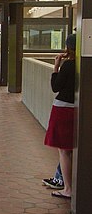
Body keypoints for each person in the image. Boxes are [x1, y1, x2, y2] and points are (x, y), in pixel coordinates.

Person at [44, 33, 76, 199]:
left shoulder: (69, 66)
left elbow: (55, 87)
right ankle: (64, 181)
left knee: (64, 151)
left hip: (63, 109)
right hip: (79, 110)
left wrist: (56, 66)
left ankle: (68, 188)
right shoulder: (85, 65)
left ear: (68, 48)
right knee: (72, 148)